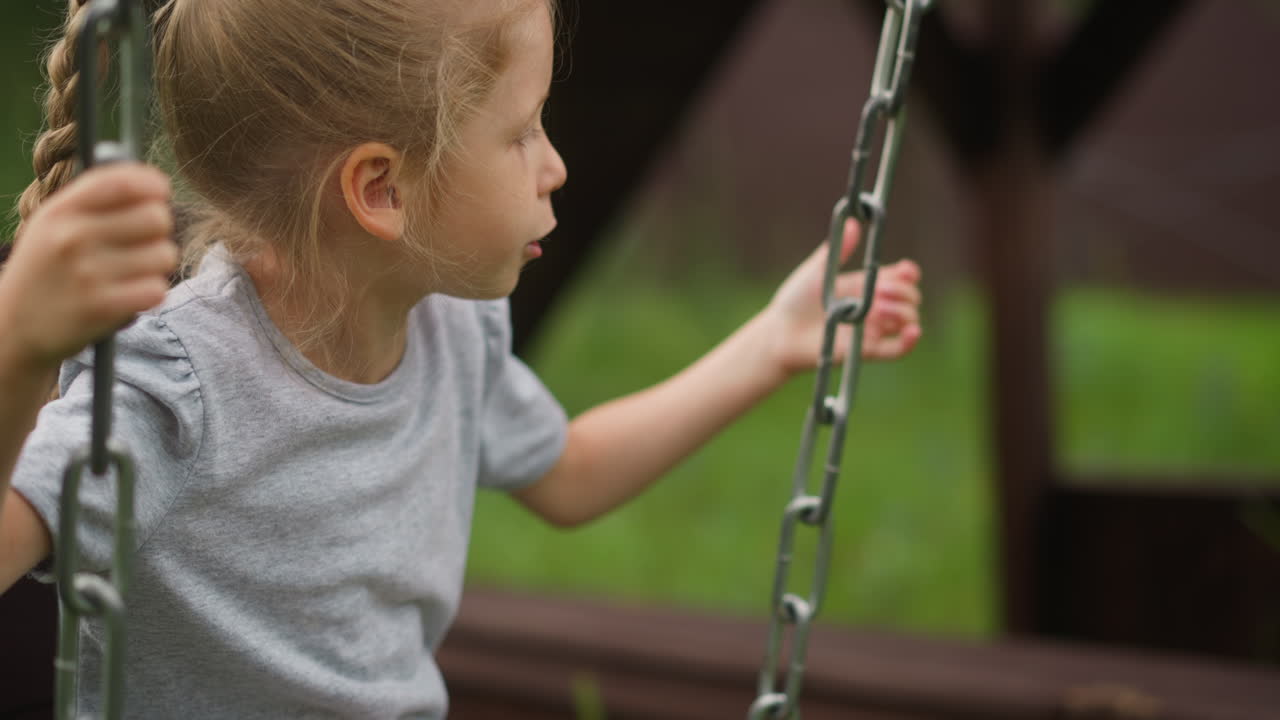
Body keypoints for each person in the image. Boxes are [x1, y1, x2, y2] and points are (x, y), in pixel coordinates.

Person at [0, 0, 922, 717]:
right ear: (380, 188)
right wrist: (16, 348)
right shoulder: (177, 383)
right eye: (522, 133)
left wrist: (772, 341)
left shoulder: (449, 322)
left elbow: (570, 473)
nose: (554, 164)